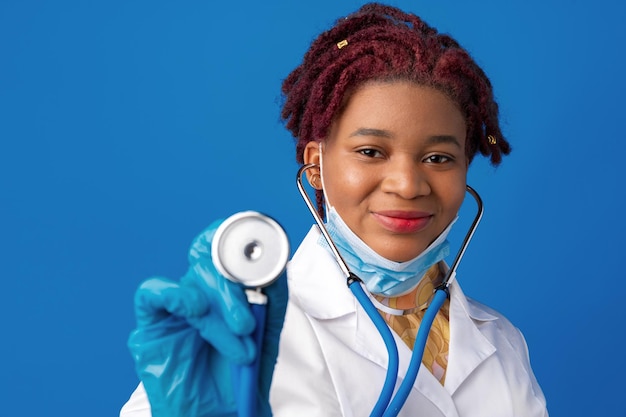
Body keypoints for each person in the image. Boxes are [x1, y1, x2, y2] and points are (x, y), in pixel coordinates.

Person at [121, 3, 548, 416]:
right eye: (370, 151)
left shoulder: (503, 343)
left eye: (438, 158)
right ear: (315, 166)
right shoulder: (240, 332)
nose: (408, 185)